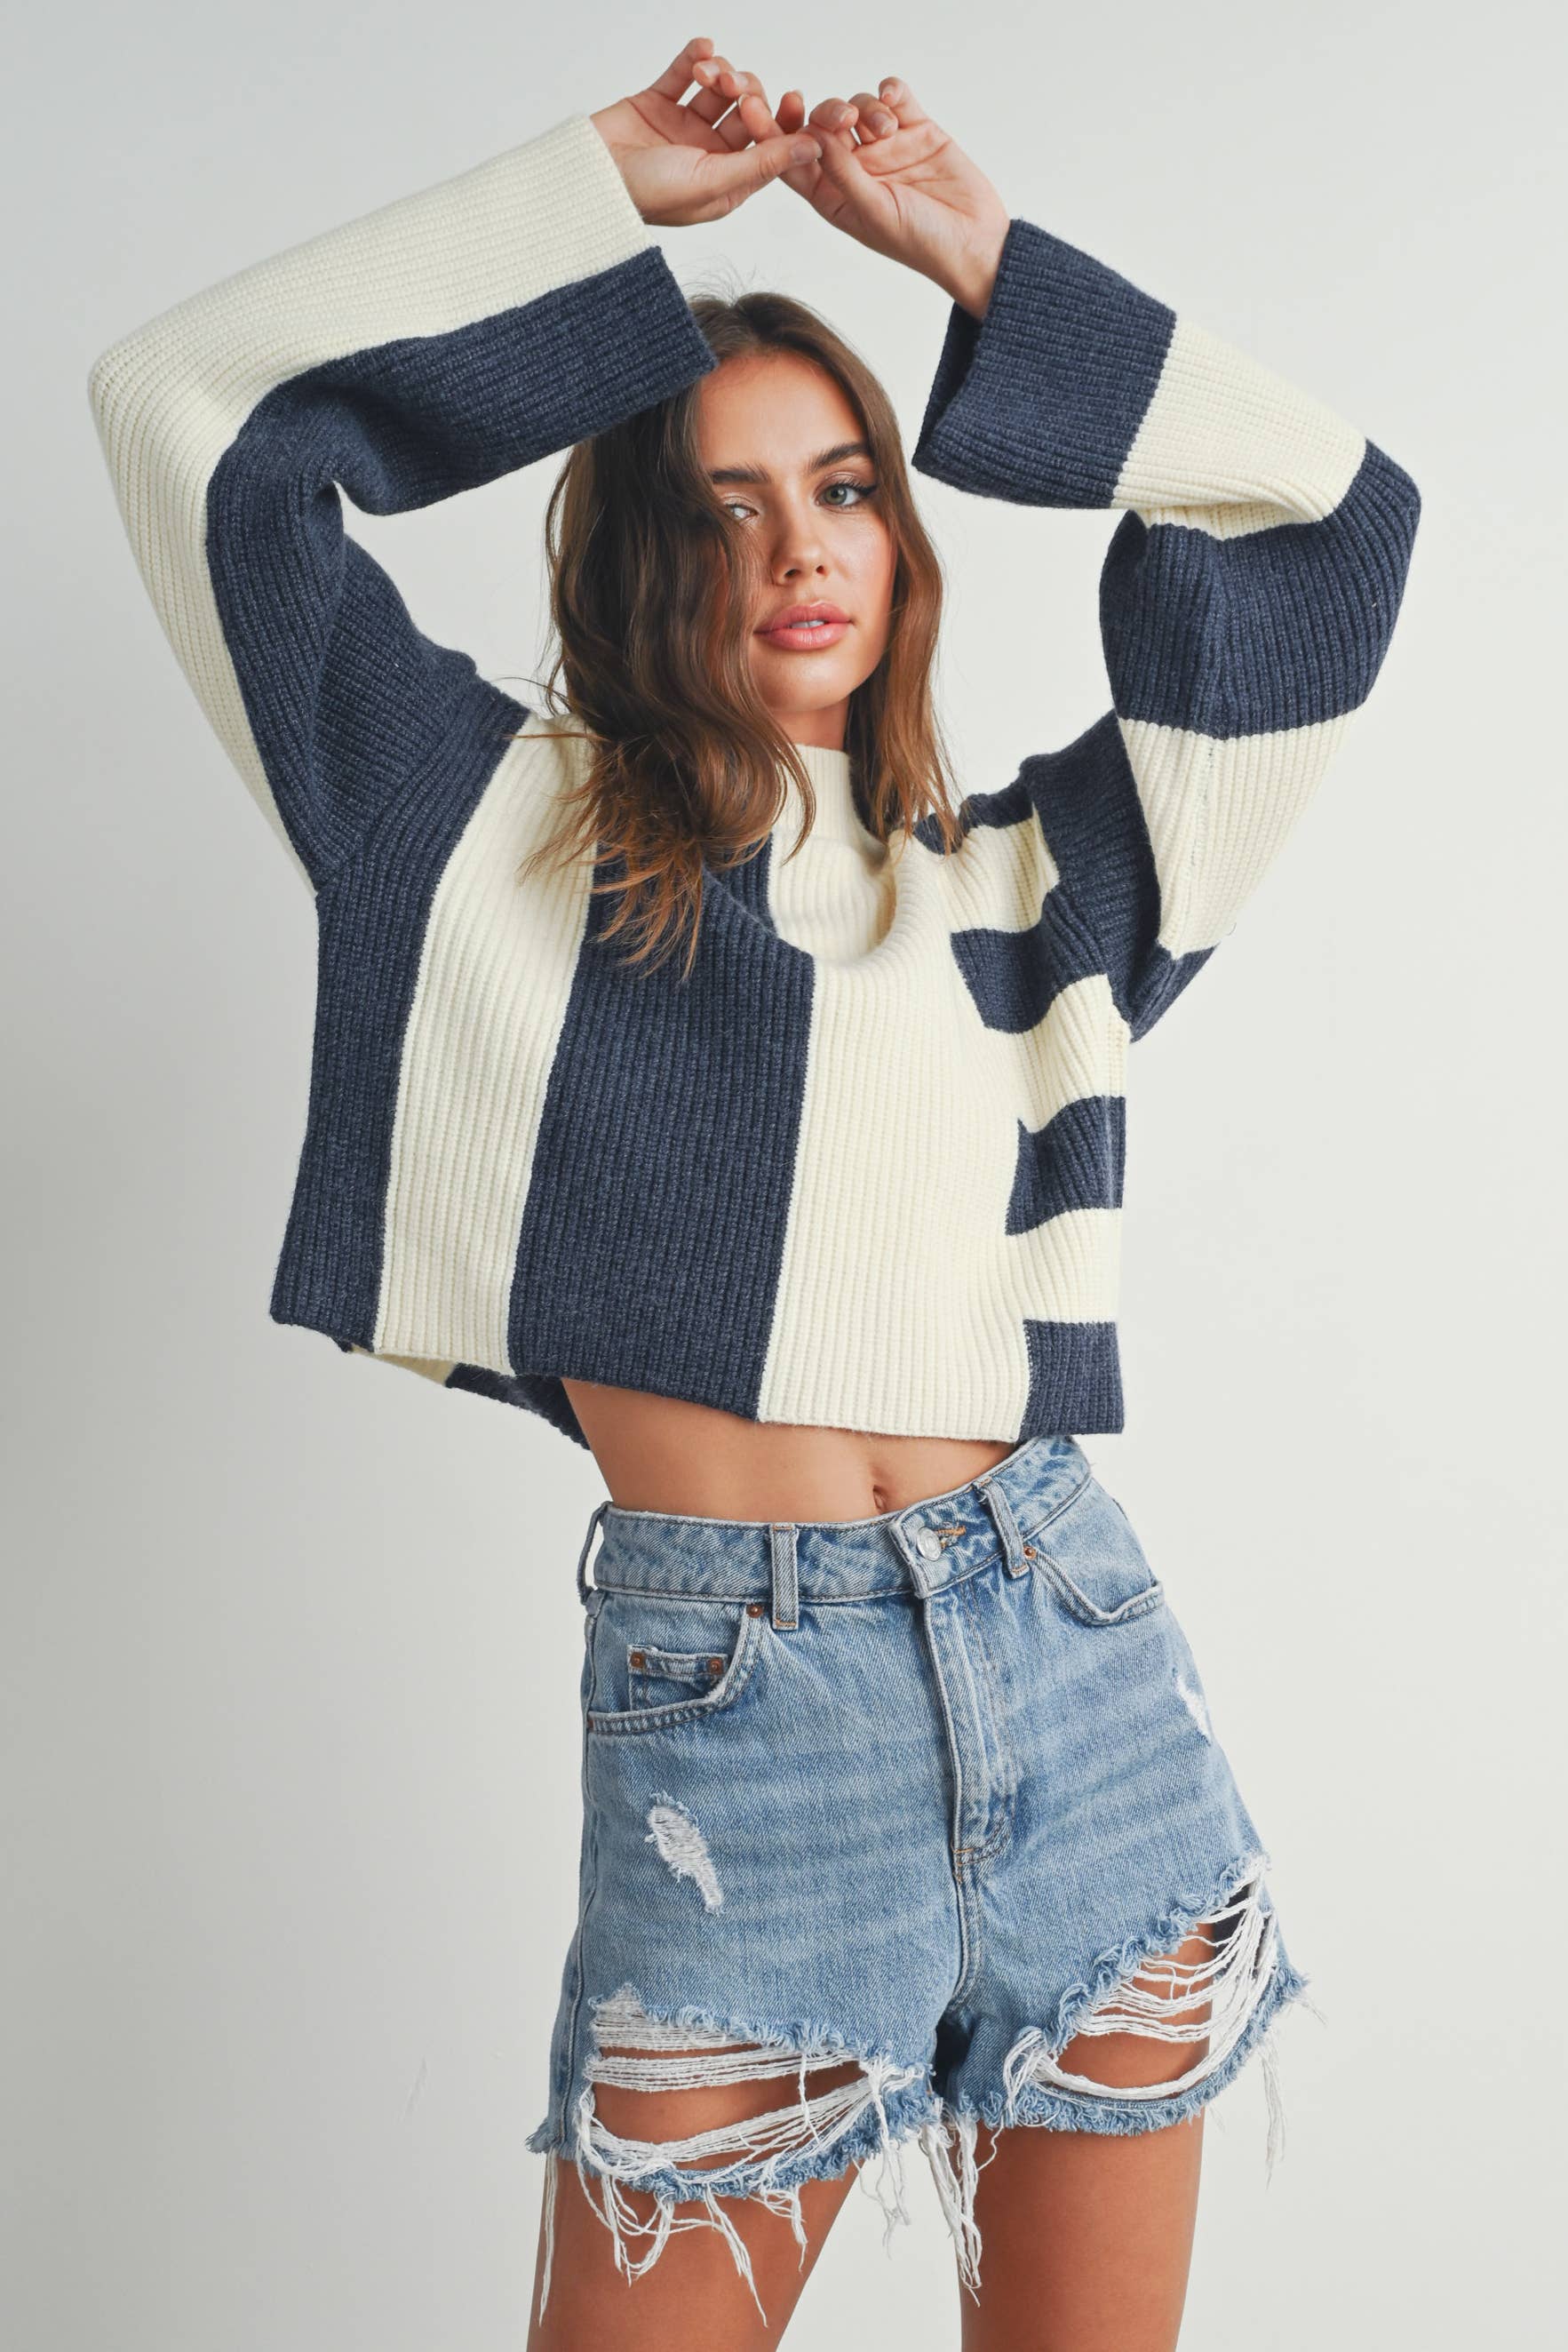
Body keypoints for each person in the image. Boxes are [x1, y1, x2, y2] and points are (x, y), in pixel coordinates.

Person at [85, 34, 1421, 2351]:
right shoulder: (475, 836)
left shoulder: (1041, 886)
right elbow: (187, 417)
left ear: (903, 538)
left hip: (1079, 1669)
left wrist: (981, 262)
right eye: (719, 507)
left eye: (843, 488)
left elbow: (1335, 535)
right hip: (742, 1732)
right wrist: (589, 198)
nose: (798, 549)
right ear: (634, 560)